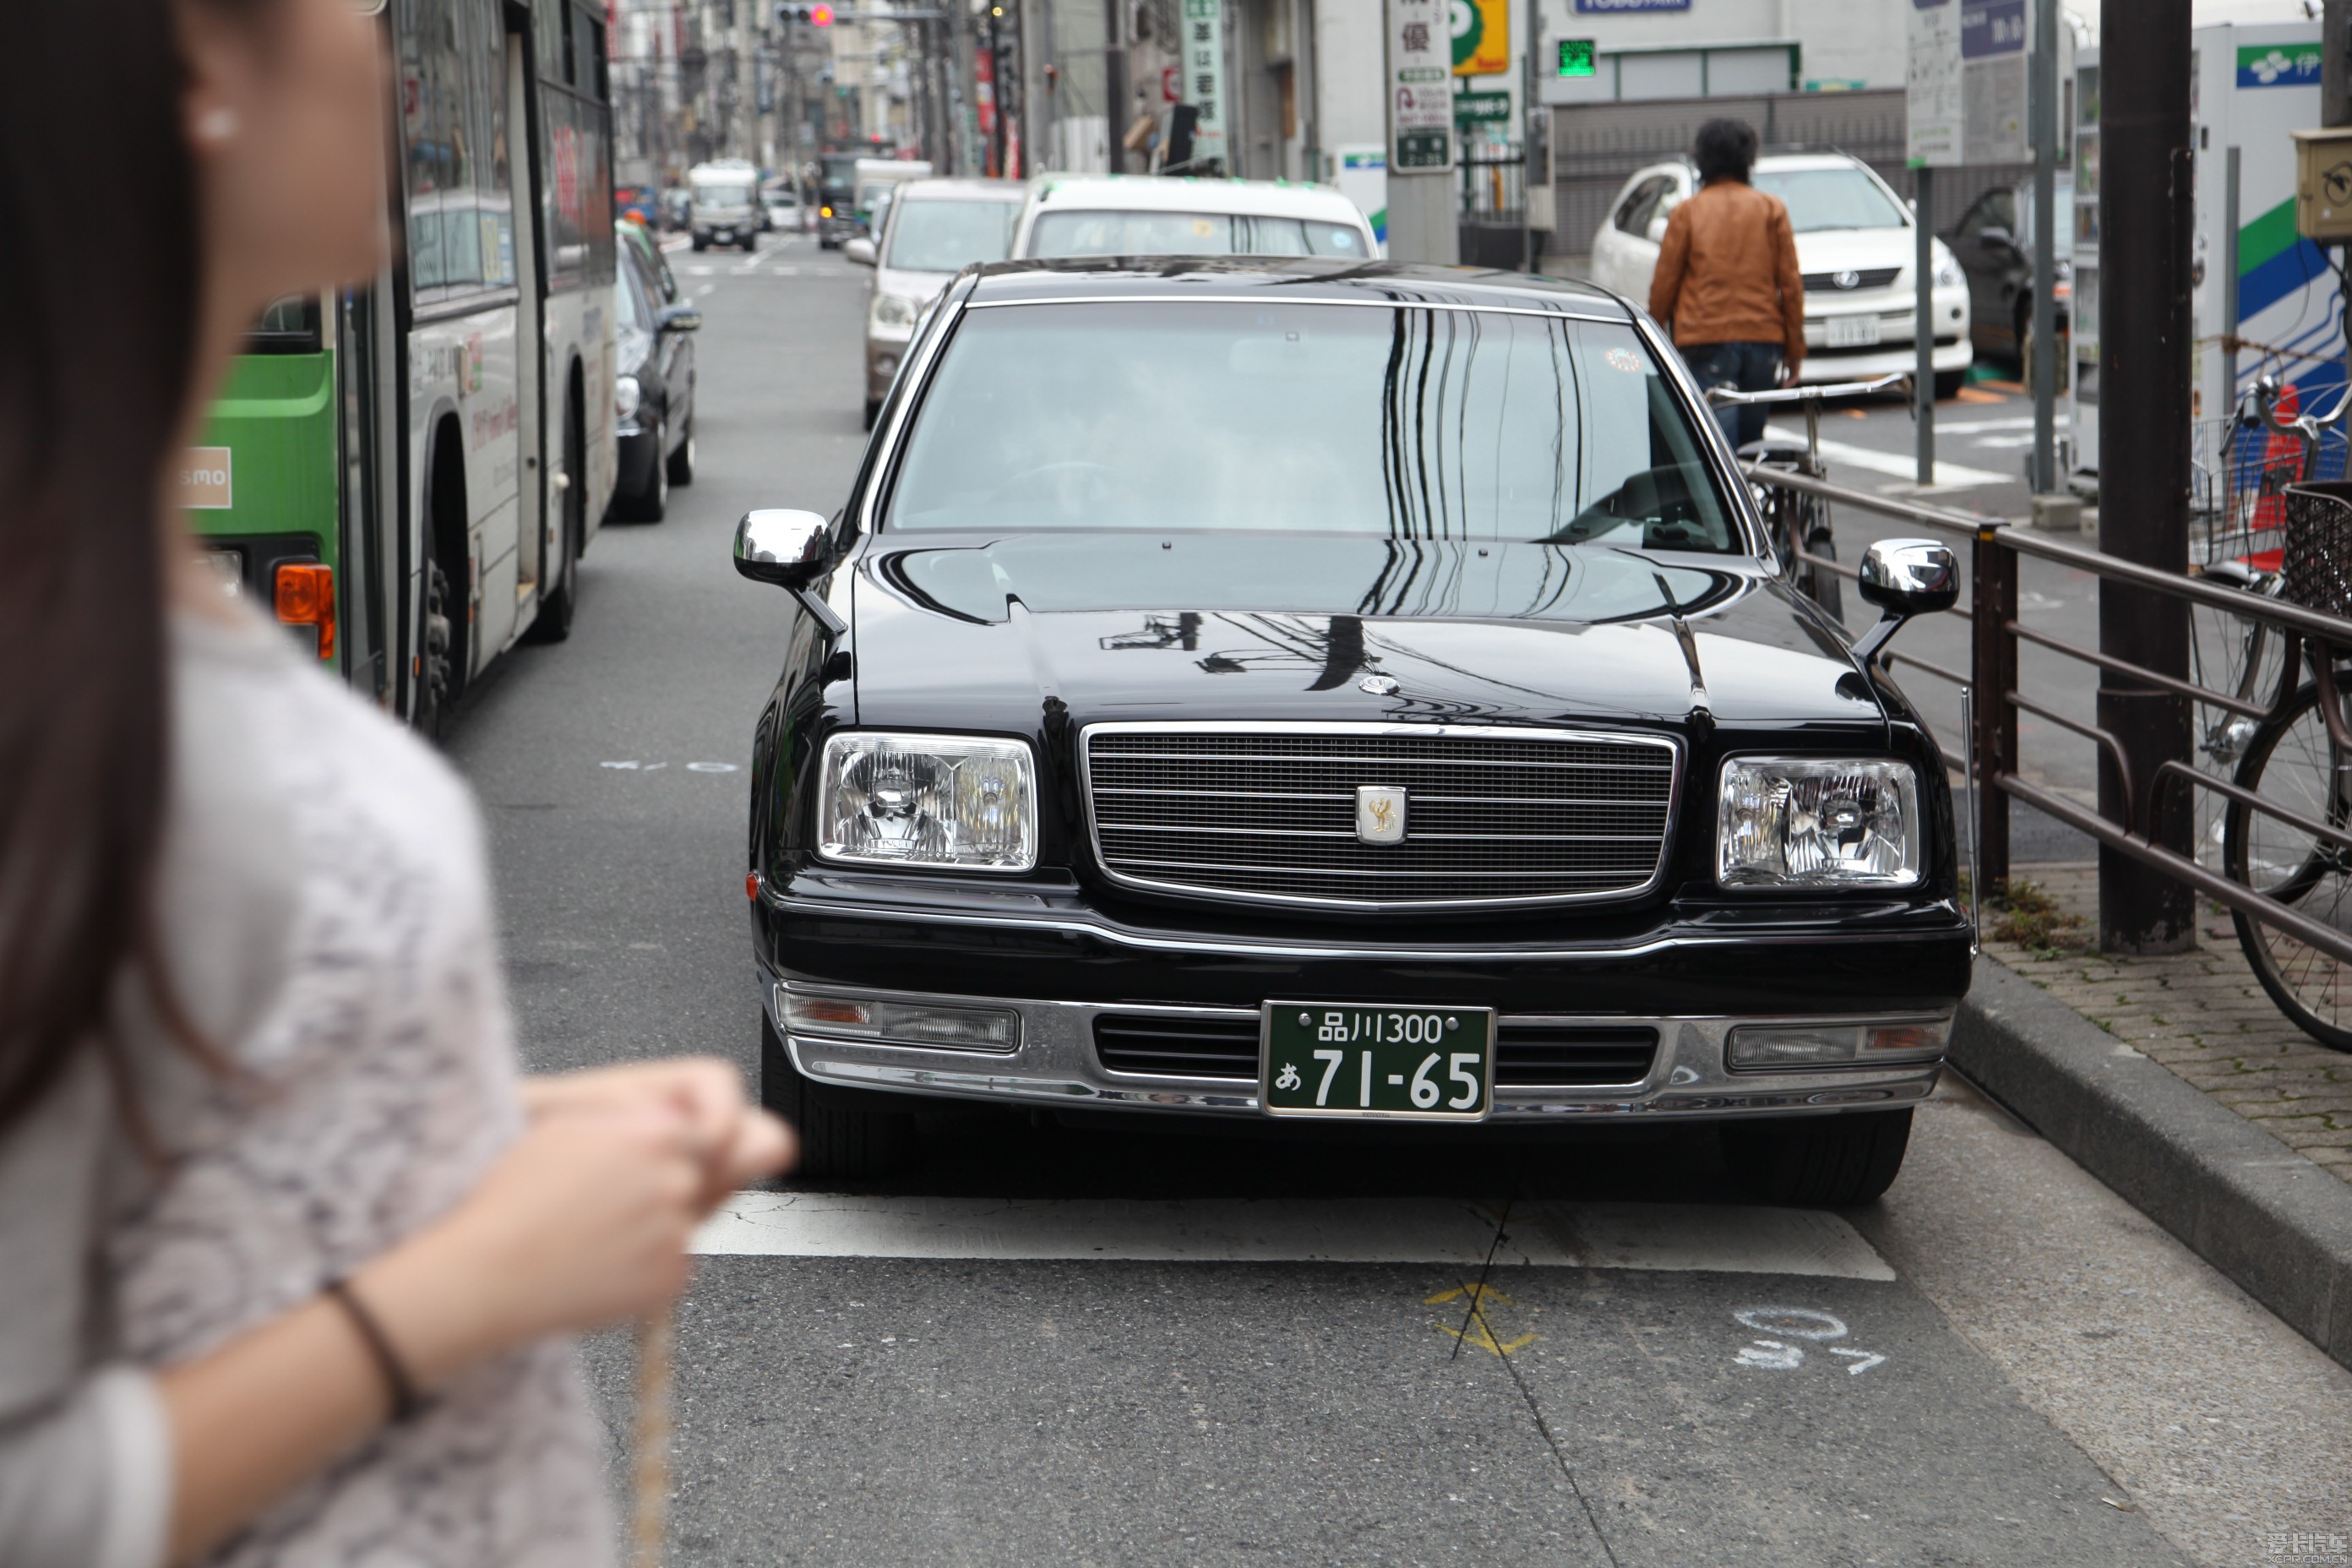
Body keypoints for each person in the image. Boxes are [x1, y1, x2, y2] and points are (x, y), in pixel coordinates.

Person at [0, 3, 794, 1565]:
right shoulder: (65, 687)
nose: (393, 61)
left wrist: (481, 1131)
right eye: (355, 17)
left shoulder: (115, 622)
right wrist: (482, 1276)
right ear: (201, 70)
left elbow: (177, 1177)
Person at [1647, 117, 1807, 451]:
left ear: (1702, 158)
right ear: (1748, 159)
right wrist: (1794, 348)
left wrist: (1654, 336)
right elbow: (1790, 285)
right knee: (1752, 444)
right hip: (1763, 341)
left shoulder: (1687, 213)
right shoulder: (1770, 208)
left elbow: (1665, 284)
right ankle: (1755, 500)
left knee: (1720, 446)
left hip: (1706, 339)